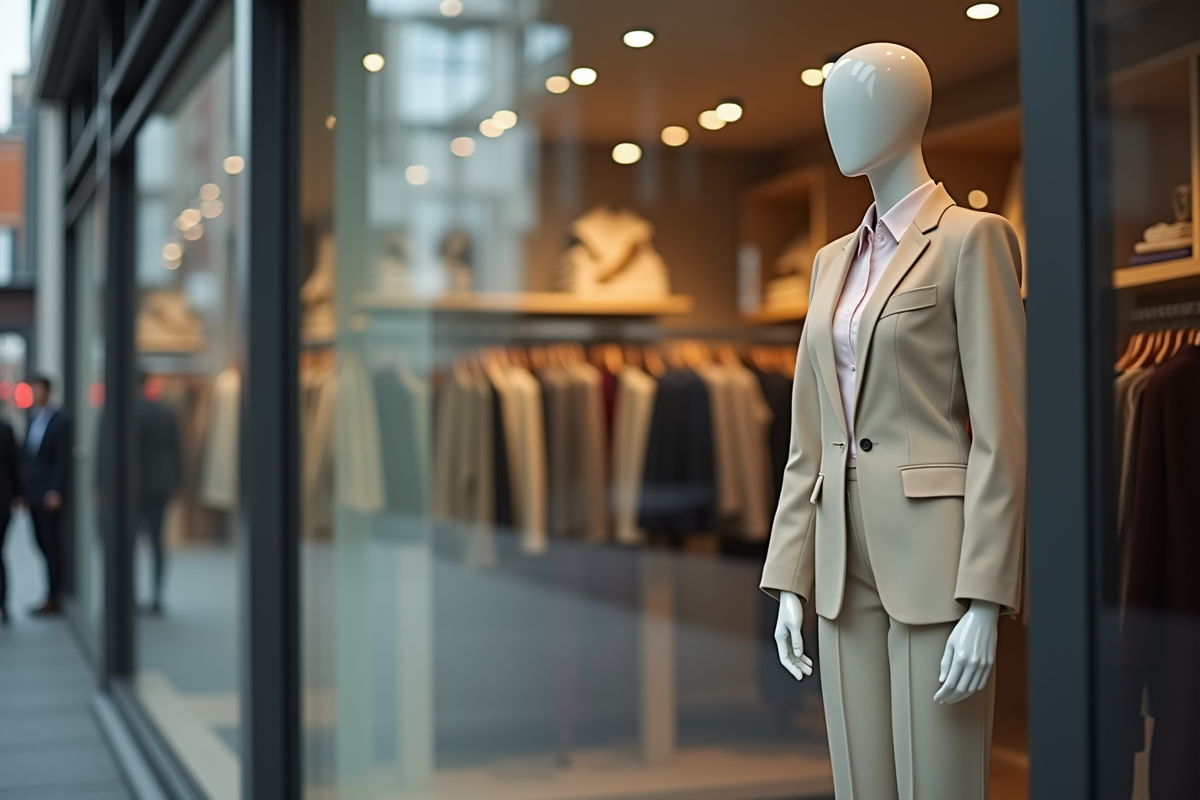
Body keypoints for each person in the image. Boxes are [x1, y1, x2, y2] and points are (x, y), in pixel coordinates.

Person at [23, 375, 71, 615]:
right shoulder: (32, 418)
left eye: (39, 390)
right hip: (33, 492)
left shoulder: (60, 420)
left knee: (51, 543)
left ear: (48, 391)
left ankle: (54, 595)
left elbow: (62, 459)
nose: (35, 394)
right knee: (39, 540)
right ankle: (51, 590)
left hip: (48, 493)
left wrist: (55, 490)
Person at [136, 375, 183, 613]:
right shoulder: (166, 412)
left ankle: (129, 594)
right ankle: (157, 595)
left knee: (128, 542)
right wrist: (177, 482)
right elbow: (177, 450)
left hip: (131, 486)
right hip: (160, 483)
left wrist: (100, 484)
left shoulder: (120, 412)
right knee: (157, 540)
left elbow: (105, 449)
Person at [0, 405, 23, 623]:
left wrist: (18, 494)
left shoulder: (5, 429)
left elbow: (15, 464)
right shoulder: (5, 429)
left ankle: (3, 601)